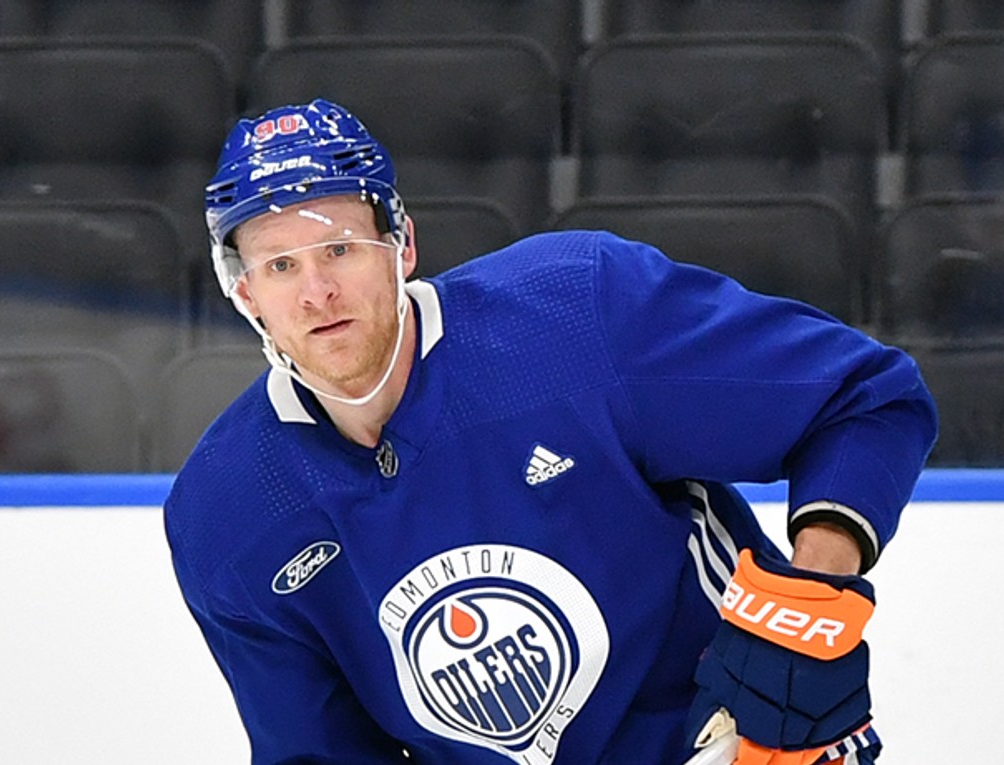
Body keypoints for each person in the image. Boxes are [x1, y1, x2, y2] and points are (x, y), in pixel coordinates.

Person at [164, 98, 937, 765]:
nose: (317, 292)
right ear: (245, 292)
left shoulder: (575, 316)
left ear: (402, 244)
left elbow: (866, 398)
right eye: (281, 266)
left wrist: (813, 597)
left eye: (339, 248)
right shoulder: (225, 512)